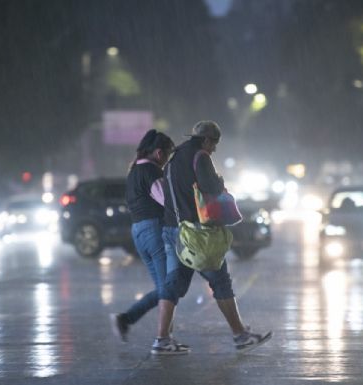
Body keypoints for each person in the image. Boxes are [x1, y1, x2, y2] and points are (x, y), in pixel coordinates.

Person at [155, 120, 272, 355]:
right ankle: (241, 336)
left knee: (172, 284)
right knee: (220, 281)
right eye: (214, 144)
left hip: (171, 229)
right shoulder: (201, 156)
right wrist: (219, 182)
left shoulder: (173, 159)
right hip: (196, 233)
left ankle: (162, 339)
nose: (214, 149)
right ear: (206, 140)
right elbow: (211, 188)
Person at [109, 130, 189, 350]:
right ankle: (162, 340)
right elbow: (168, 202)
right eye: (166, 155)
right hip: (155, 230)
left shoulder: (134, 171)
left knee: (165, 288)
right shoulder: (151, 171)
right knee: (170, 287)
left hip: (139, 231)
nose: (166, 161)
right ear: (158, 152)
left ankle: (127, 320)